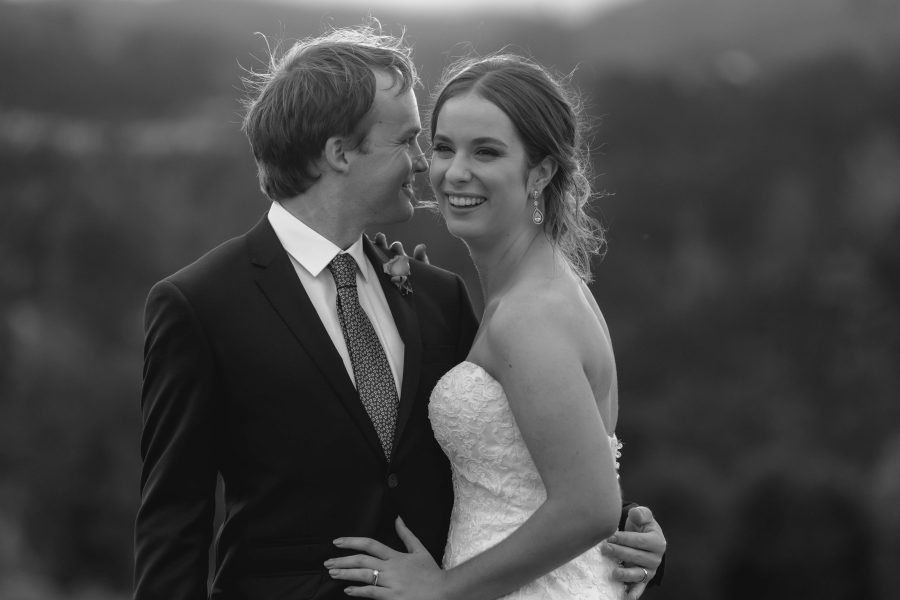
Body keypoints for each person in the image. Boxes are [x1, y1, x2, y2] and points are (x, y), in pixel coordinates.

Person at [134, 25, 664, 600]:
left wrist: (623, 530)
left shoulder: (437, 296)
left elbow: (516, 454)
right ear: (340, 152)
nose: (424, 166)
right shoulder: (201, 304)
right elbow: (173, 524)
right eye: (416, 142)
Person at [326, 54, 650, 600]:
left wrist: (444, 589)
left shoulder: (530, 314)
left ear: (541, 172)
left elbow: (590, 507)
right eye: (445, 147)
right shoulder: (534, 288)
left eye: (487, 152)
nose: (455, 173)